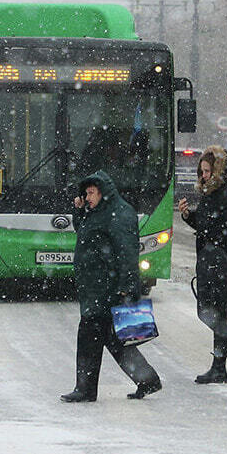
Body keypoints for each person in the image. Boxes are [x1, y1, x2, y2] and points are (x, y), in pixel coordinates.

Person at [61, 170, 162, 402]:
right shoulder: (99, 212)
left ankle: (85, 389)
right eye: (85, 194)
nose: (87, 198)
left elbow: (127, 252)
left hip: (105, 287)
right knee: (113, 338)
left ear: (103, 191)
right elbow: (85, 232)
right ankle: (147, 379)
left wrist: (127, 287)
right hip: (96, 287)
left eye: (91, 193)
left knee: (88, 335)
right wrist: (79, 211)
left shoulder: (119, 214)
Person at [177, 146, 227, 384]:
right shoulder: (216, 191)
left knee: (207, 313)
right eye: (201, 171)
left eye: (206, 171)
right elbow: (209, 227)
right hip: (221, 262)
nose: (202, 176)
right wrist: (188, 216)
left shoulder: (223, 193)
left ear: (218, 171)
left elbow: (216, 232)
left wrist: (195, 220)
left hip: (223, 264)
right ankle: (219, 368)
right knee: (218, 315)